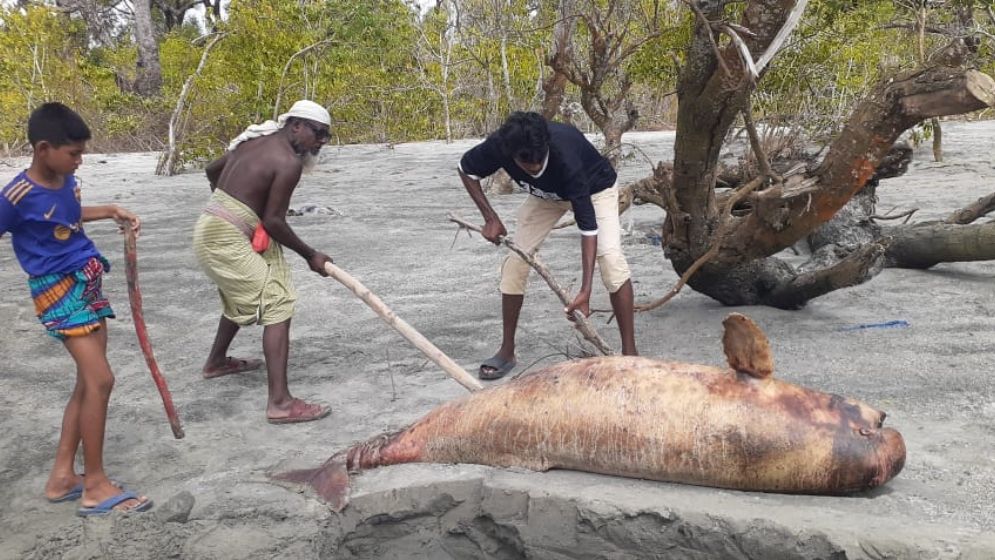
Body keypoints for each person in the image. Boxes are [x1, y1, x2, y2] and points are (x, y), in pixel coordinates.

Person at [0, 102, 151, 516]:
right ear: (43, 148)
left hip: (87, 280)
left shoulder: (68, 180)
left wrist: (109, 210)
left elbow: (63, 217)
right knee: (102, 380)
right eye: (74, 153)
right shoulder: (15, 195)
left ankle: (63, 477)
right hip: (57, 290)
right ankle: (96, 485)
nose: (80, 160)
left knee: (88, 383)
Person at [458, 111, 638, 379]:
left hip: (595, 189)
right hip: (545, 197)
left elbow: (588, 229)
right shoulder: (501, 144)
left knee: (610, 259)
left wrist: (585, 290)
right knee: (514, 264)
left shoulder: (566, 157)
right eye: (525, 164)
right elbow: (466, 170)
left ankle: (631, 355)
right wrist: (490, 218)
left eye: (539, 161)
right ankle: (507, 350)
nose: (534, 167)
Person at [193, 99, 334, 424]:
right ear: (295, 125)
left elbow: (212, 170)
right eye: (318, 134)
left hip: (213, 224)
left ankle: (216, 362)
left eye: (326, 137)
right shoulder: (287, 162)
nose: (320, 143)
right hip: (226, 234)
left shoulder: (254, 142)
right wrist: (311, 255)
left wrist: (234, 201)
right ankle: (280, 403)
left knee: (251, 285)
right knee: (277, 301)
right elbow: (274, 221)